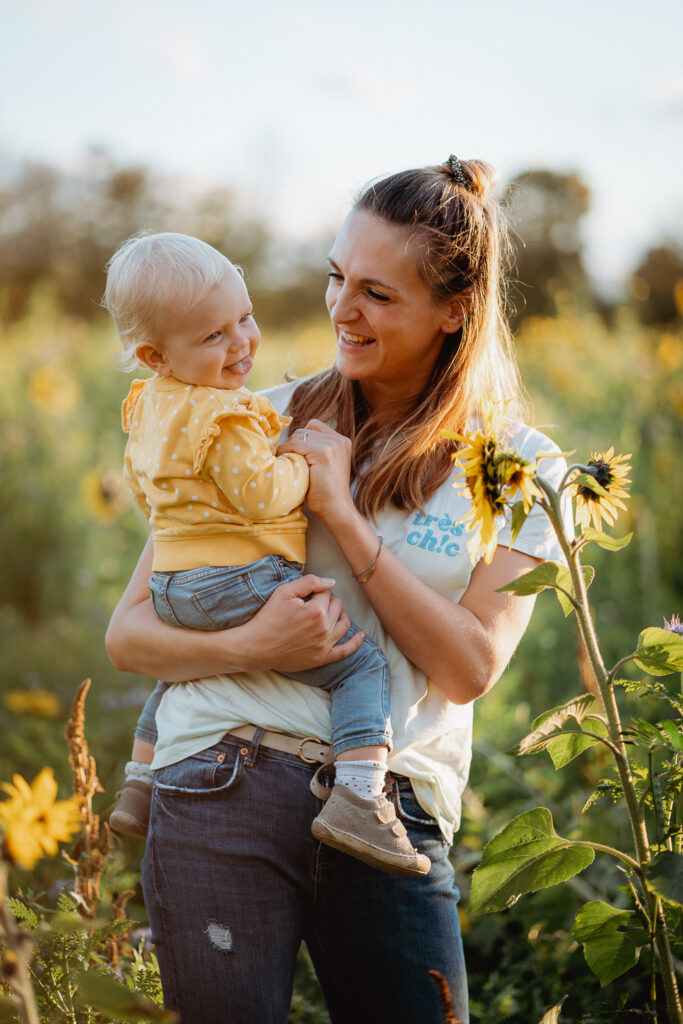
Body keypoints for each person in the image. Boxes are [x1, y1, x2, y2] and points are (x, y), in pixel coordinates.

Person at [106, 156, 570, 1024]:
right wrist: (249, 647)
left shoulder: (521, 468)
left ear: (454, 311)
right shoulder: (253, 416)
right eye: (335, 278)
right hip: (223, 774)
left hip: (389, 806)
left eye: (378, 294)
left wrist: (343, 519)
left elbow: (469, 667)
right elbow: (130, 633)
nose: (341, 311)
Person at [103, 232, 428, 877]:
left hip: (174, 580)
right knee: (361, 667)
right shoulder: (226, 416)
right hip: (239, 575)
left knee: (183, 666)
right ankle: (360, 797)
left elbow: (149, 494)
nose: (242, 343)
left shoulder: (149, 406)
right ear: (152, 353)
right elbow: (258, 495)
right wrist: (301, 464)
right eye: (213, 337)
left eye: (244, 319)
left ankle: (140, 778)